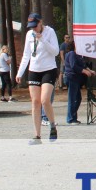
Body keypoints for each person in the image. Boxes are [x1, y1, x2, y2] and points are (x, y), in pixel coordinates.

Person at [15, 13, 61, 144]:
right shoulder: (29, 34)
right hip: (34, 70)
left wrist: (43, 40)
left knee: (45, 100)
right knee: (35, 102)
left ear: (41, 22)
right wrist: (19, 73)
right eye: (31, 26)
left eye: (35, 25)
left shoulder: (50, 32)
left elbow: (55, 52)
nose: (34, 29)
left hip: (49, 69)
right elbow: (26, 55)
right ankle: (37, 136)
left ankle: (52, 125)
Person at [63, 40, 95, 125]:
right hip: (71, 77)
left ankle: (74, 117)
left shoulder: (78, 55)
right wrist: (84, 71)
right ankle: (70, 119)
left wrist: (89, 70)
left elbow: (83, 65)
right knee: (72, 98)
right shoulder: (71, 54)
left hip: (76, 78)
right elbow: (73, 66)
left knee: (78, 98)